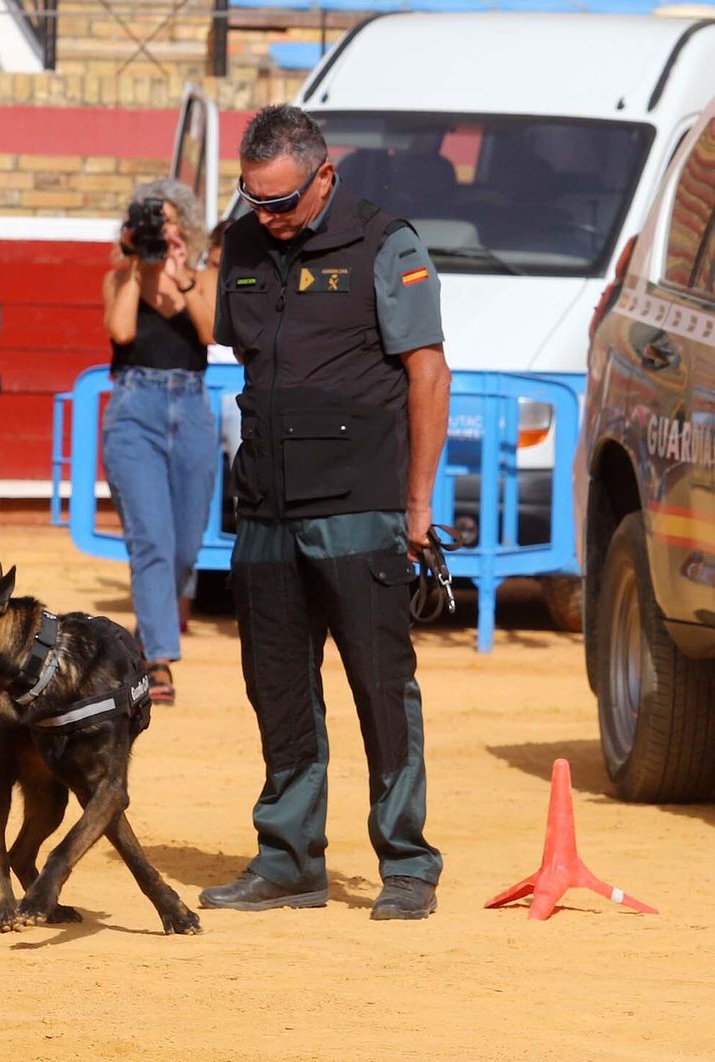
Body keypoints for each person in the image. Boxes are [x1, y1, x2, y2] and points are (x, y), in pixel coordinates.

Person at [199, 104, 450, 921]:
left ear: (326, 175)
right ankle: (289, 861)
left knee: (381, 685)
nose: (267, 217)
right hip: (266, 504)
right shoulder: (241, 240)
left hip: (358, 502)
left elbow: (428, 373)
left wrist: (417, 505)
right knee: (277, 687)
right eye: (254, 200)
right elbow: (239, 346)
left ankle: (407, 863)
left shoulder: (387, 242)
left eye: (284, 201)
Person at [99, 179, 219, 706]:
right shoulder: (119, 277)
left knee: (185, 547)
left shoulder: (204, 275)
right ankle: (159, 661)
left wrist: (183, 277)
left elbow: (214, 333)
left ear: (185, 226)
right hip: (135, 409)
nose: (162, 229)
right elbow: (122, 332)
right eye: (153, 221)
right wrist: (135, 267)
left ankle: (146, 638)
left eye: (169, 220)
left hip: (191, 407)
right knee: (151, 540)